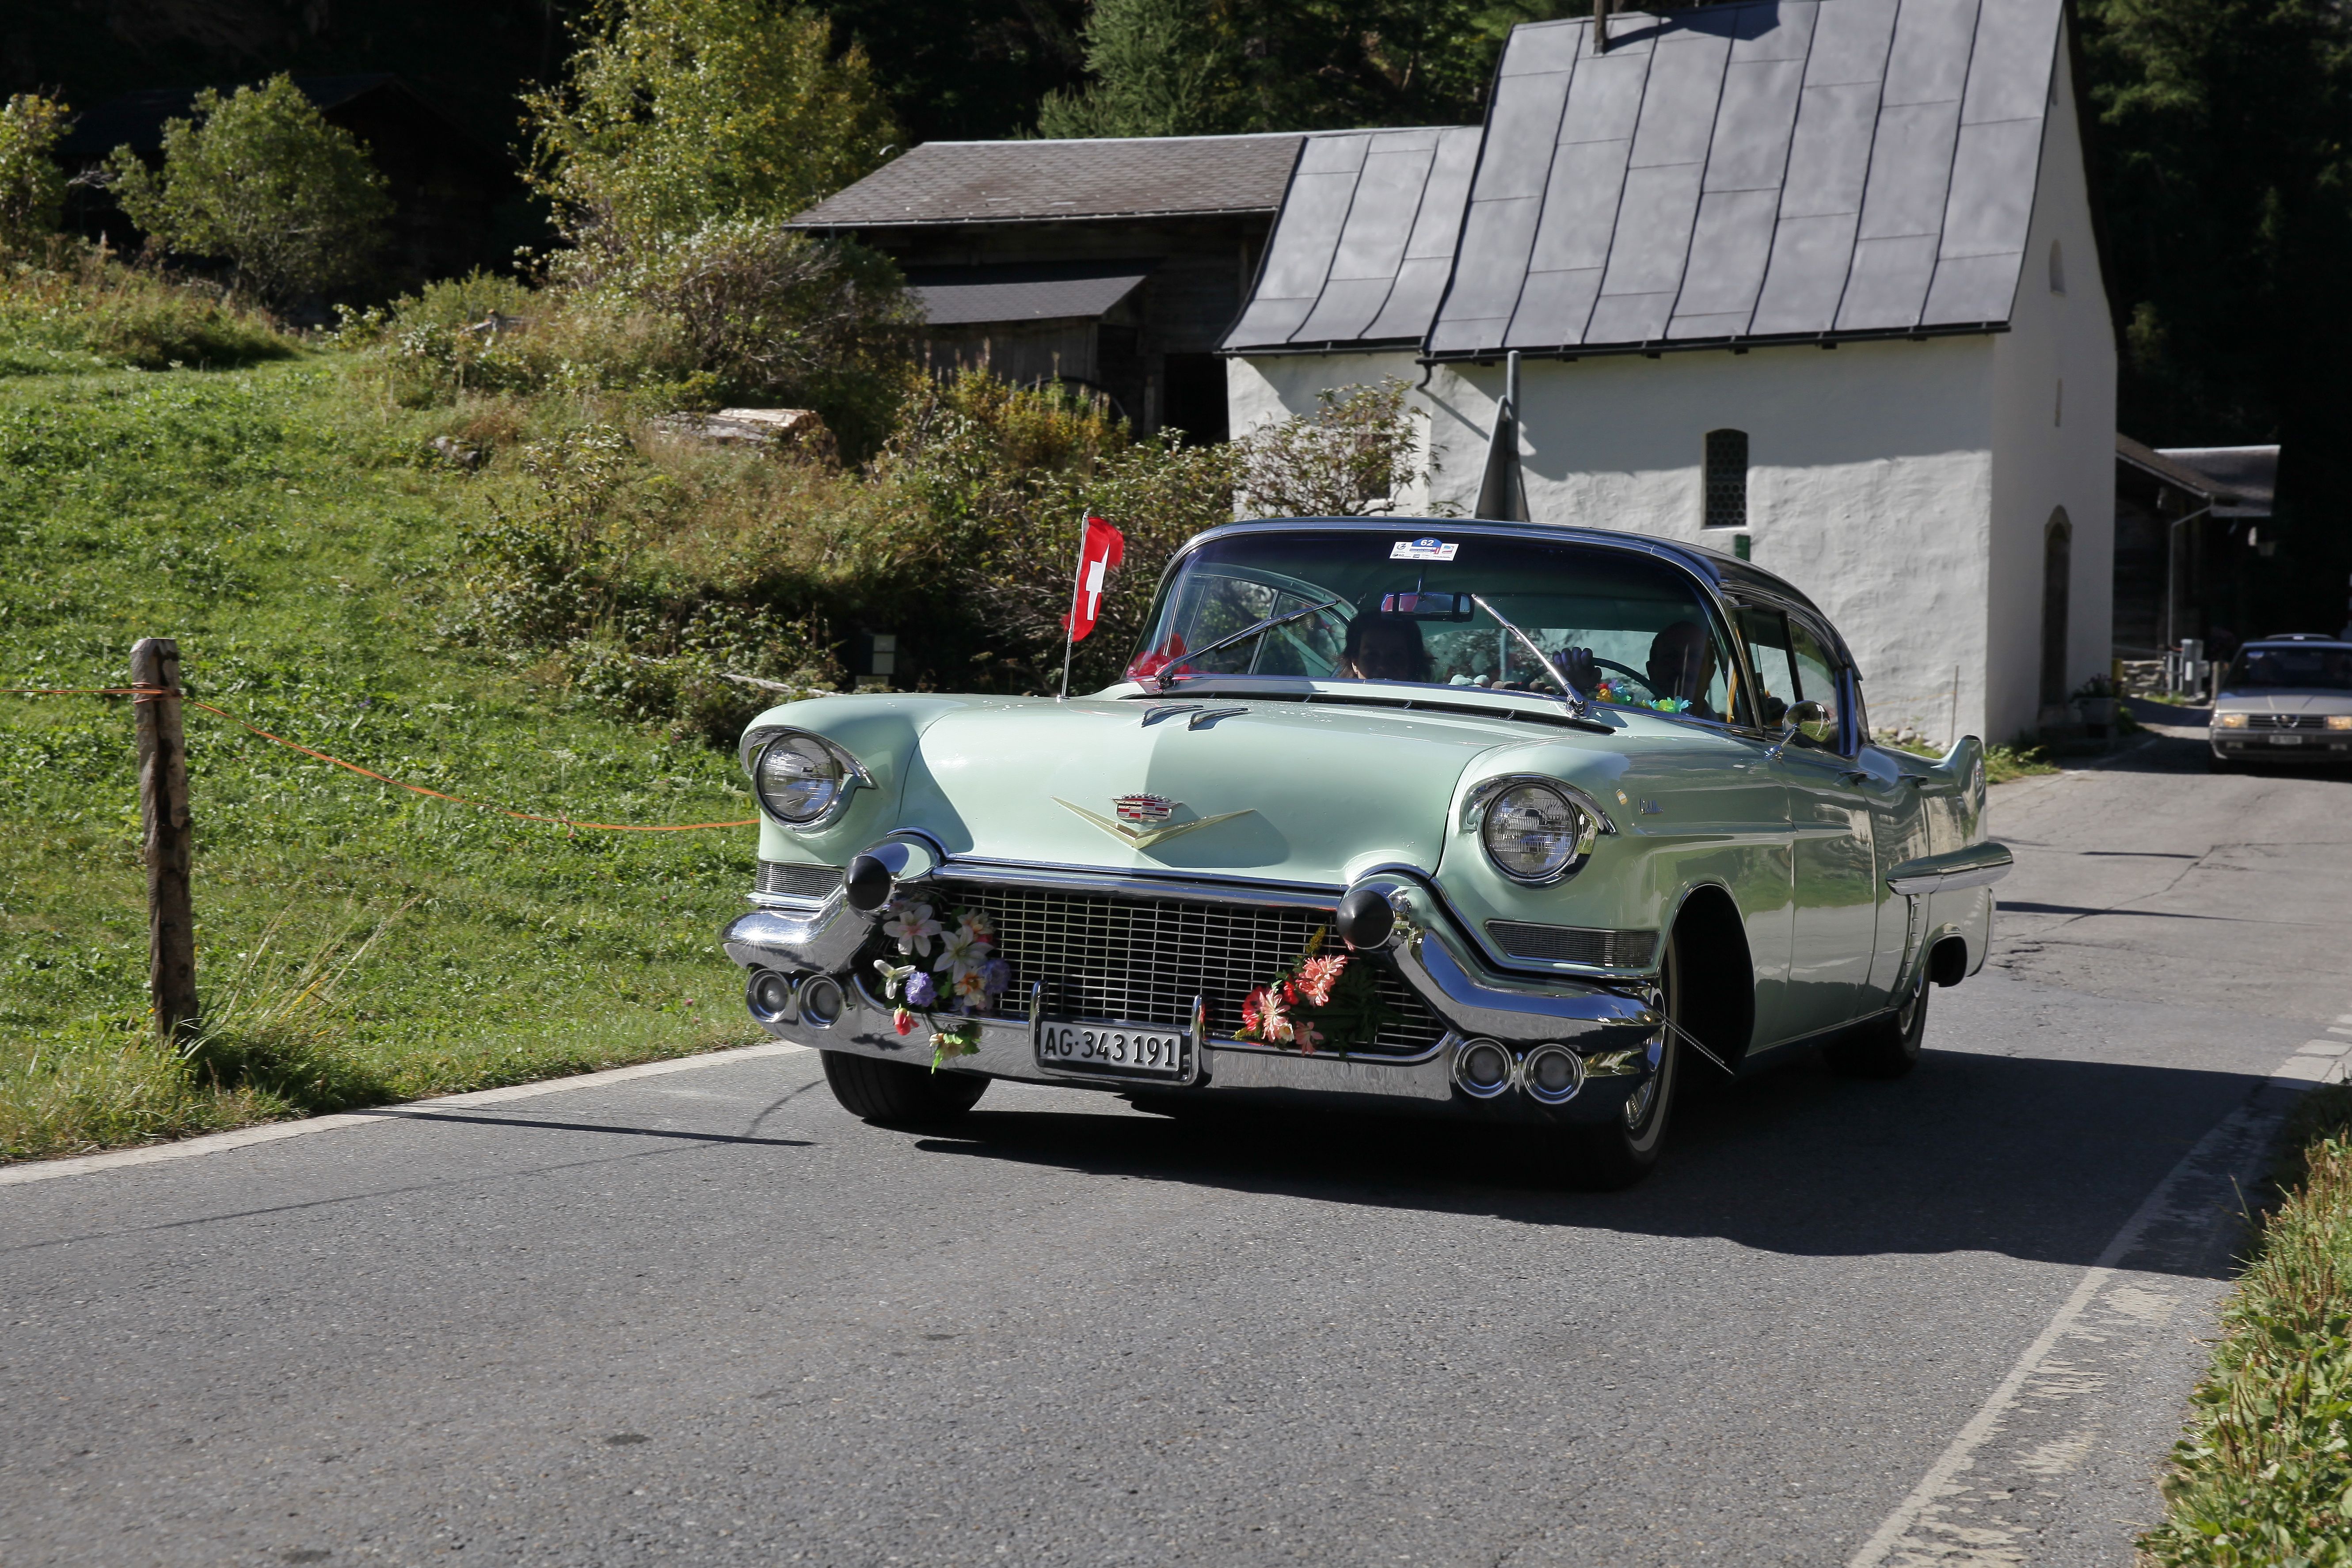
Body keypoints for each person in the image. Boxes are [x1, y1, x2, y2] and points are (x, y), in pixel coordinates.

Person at [1645, 620, 1720, 719]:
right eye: (1672, 657)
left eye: (1694, 658)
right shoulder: (1628, 721)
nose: (1683, 667)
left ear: (1711, 674)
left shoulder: (1730, 732)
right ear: (1651, 671)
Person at [1338, 613, 1431, 683]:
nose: (1382, 666)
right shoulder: (1331, 703)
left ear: (1413, 664)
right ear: (1355, 663)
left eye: (1396, 656)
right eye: (1372, 655)